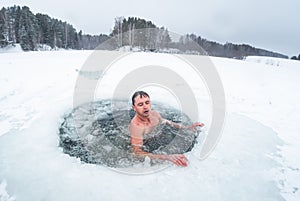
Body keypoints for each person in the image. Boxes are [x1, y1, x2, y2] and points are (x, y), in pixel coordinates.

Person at [129, 91, 204, 167]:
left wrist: (187, 128)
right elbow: (137, 153)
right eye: (140, 104)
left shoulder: (154, 114)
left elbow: (166, 122)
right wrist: (167, 157)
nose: (145, 107)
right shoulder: (137, 126)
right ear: (134, 108)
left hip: (158, 139)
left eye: (147, 102)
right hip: (148, 146)